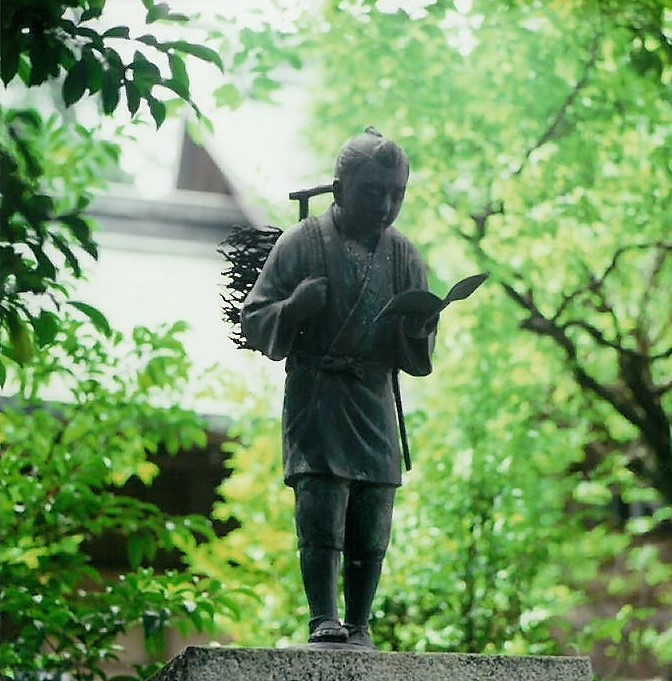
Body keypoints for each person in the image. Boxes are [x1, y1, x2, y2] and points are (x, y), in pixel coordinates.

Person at [240, 127, 437, 648]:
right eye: (373, 190)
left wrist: (417, 328)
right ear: (340, 186)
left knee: (373, 514)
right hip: (319, 391)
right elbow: (254, 318)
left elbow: (417, 356)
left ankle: (362, 621)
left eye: (397, 193)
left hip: (373, 395)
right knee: (322, 505)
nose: (386, 204)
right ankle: (322, 616)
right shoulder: (301, 244)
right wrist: (295, 308)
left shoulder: (404, 256)